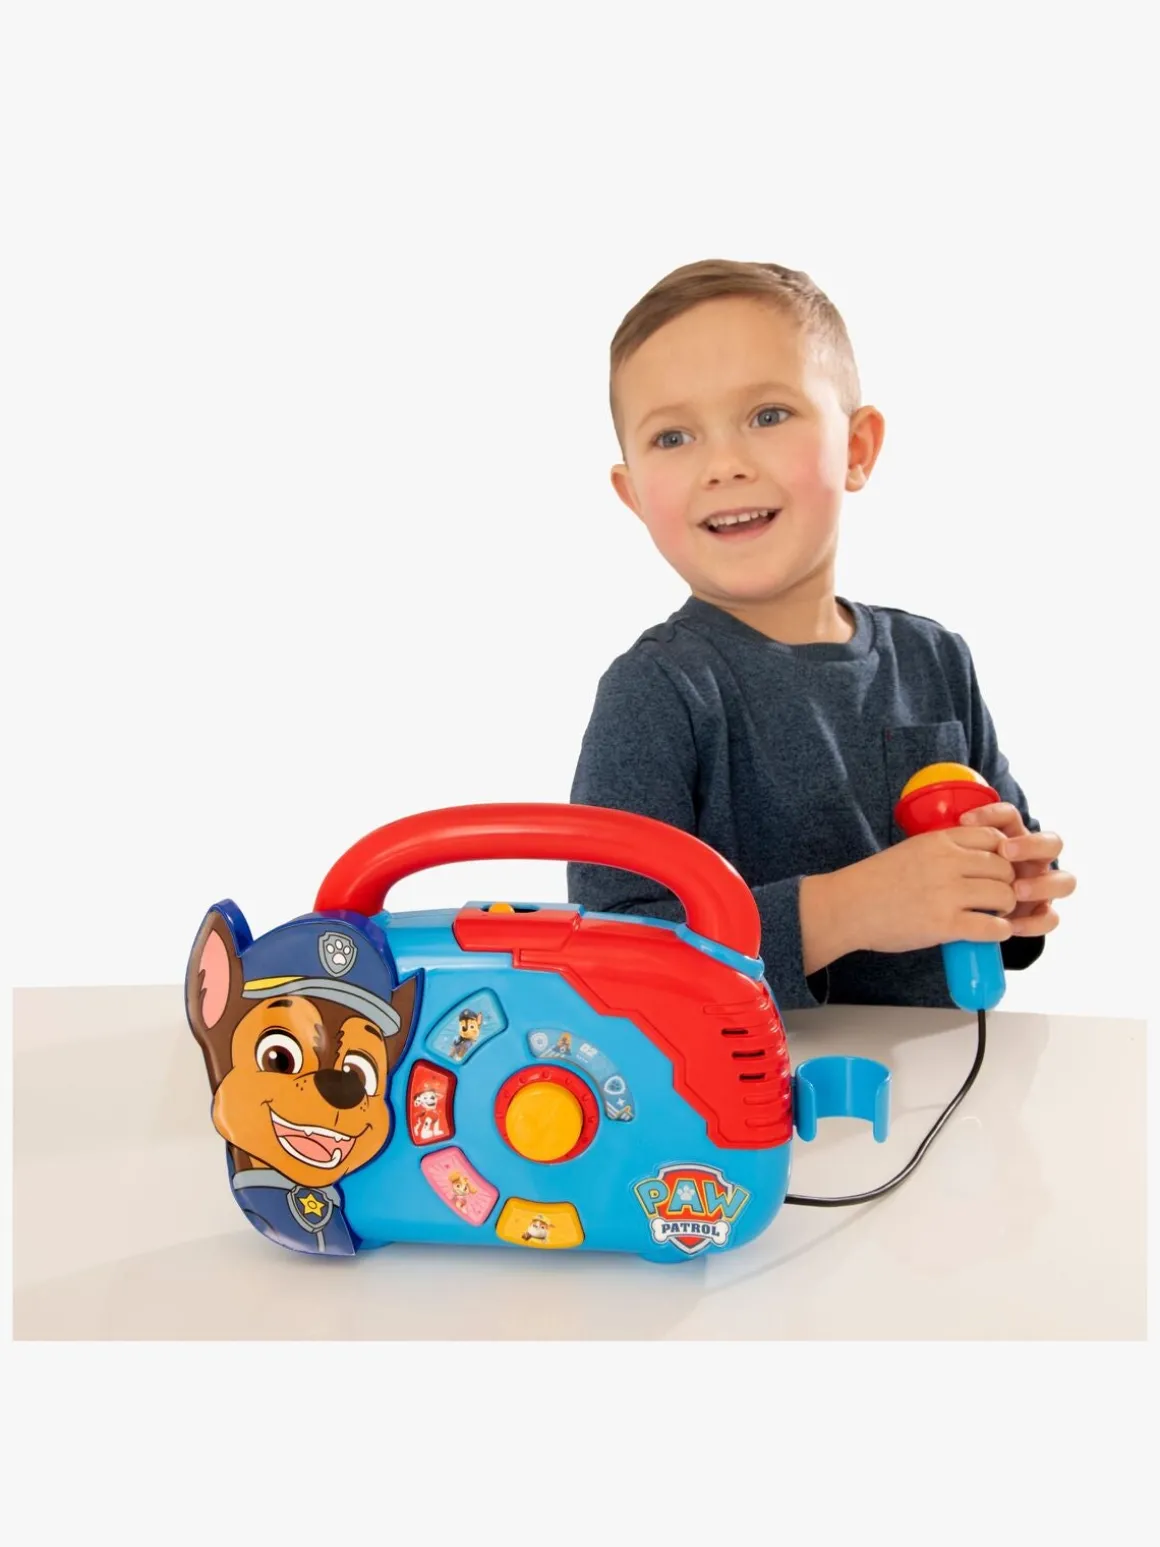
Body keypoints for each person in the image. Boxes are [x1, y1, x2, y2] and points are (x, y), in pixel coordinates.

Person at [567, 260, 1075, 1009]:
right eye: (673, 436)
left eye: (768, 416)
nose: (725, 465)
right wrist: (844, 910)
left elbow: (1005, 902)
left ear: (857, 449)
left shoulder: (936, 659)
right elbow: (614, 958)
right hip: (744, 1081)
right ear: (634, 494)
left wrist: (1015, 888)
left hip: (943, 1066)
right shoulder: (655, 691)